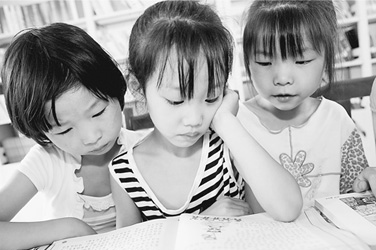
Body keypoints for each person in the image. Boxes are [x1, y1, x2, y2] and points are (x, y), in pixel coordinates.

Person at [109, 0, 303, 229]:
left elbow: (287, 209)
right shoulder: (125, 172)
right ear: (137, 88)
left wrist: (225, 122)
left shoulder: (229, 146)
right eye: (176, 100)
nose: (195, 119)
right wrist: (199, 222)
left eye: (211, 97)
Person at [0, 23, 146, 250]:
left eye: (97, 113)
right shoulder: (47, 160)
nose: (91, 137)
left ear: (117, 91)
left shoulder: (145, 149)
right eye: (65, 130)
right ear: (43, 134)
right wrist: (68, 228)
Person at [237, 0, 376, 210]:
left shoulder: (336, 119)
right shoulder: (236, 122)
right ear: (248, 61)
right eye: (265, 62)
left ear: (327, 59)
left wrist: (364, 182)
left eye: (301, 61)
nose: (282, 78)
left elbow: (354, 191)